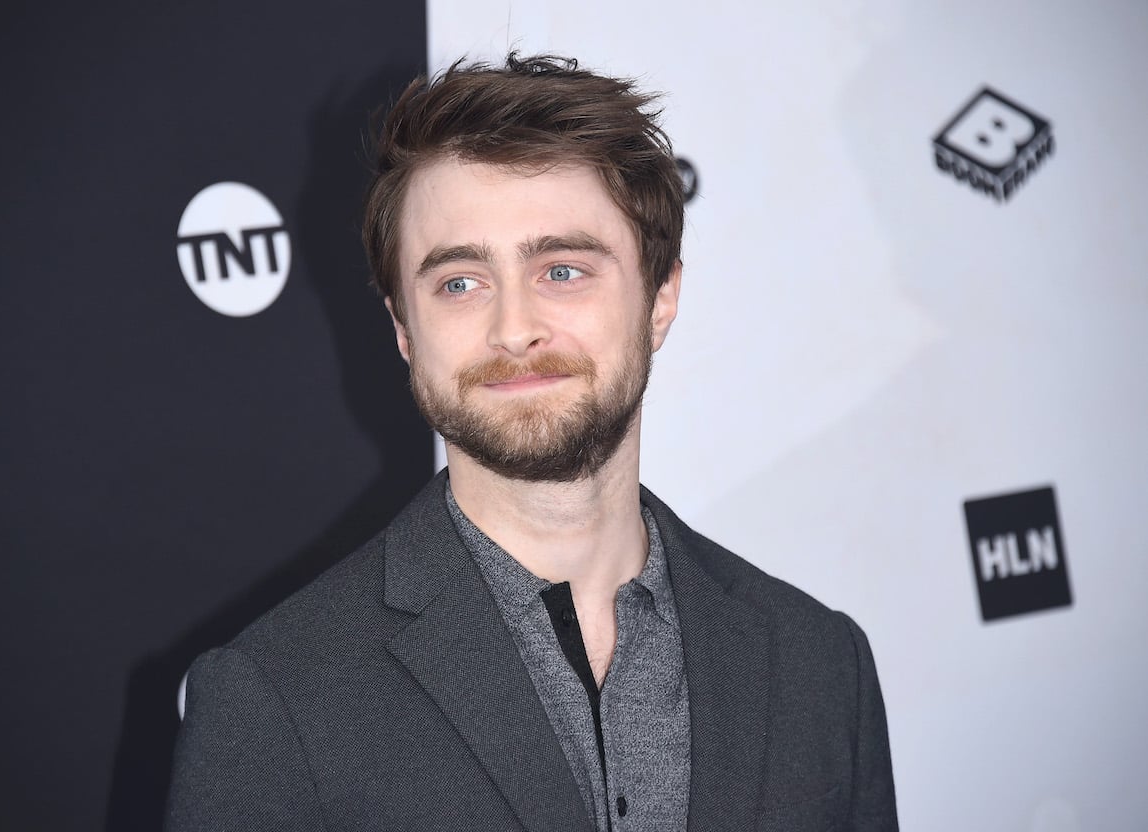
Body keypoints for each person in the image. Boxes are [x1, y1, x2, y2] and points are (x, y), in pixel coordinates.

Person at [165, 53, 898, 832]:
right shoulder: (275, 698)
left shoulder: (820, 664)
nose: (514, 329)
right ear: (404, 329)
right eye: (460, 283)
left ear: (660, 298)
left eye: (563, 270)